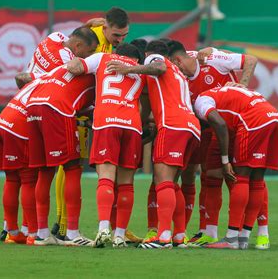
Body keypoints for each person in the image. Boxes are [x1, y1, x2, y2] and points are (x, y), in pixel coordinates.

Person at [106, 40, 201, 249]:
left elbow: (157, 66)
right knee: (172, 183)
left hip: (172, 125)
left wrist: (128, 67)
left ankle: (163, 236)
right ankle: (178, 235)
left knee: (162, 181)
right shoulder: (177, 72)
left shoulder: (155, 60)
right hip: (191, 127)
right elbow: (148, 107)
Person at [166, 40, 260, 246]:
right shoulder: (180, 75)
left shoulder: (210, 58)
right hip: (206, 129)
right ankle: (207, 230)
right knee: (209, 178)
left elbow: (251, 60)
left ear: (177, 61)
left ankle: (246, 232)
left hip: (235, 128)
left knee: (238, 178)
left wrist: (242, 86)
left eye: (175, 67)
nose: (175, 72)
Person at [70, 43, 146, 248]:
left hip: (107, 122)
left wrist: (72, 60)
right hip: (132, 125)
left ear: (117, 54)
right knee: (126, 183)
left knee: (106, 179)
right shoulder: (141, 71)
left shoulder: (102, 58)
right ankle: (120, 236)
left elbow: (76, 68)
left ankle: (104, 228)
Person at [194, 85, 278, 249]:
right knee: (257, 180)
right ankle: (244, 238)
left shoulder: (201, 101)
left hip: (253, 121)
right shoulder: (223, 93)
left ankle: (231, 239)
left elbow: (219, 124)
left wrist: (225, 160)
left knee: (241, 178)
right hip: (274, 117)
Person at [26, 57, 97, 246]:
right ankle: (72, 234)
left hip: (32, 106)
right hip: (57, 108)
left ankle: (41, 234)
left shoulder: (59, 69)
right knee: (72, 168)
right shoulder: (98, 74)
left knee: (44, 170)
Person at [0, 80, 41, 246]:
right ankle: (33, 234)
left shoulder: (39, 78)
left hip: (2, 122)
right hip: (19, 127)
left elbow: (21, 77)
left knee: (12, 179)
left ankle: (12, 232)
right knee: (29, 180)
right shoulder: (60, 82)